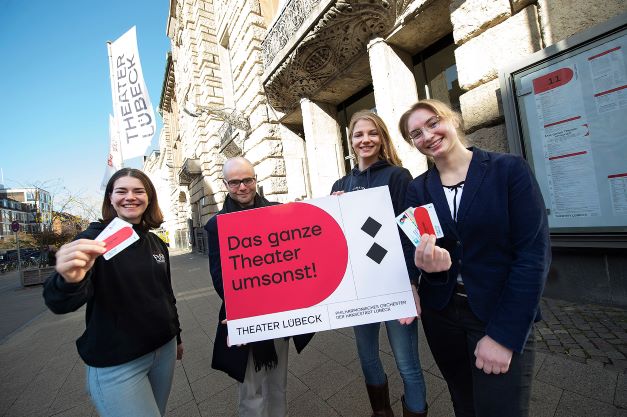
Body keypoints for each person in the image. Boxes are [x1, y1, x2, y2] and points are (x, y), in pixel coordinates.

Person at [399, 99, 551, 417]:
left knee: (500, 409)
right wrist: (425, 267)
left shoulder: (509, 170)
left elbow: (532, 256)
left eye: (432, 123)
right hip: (442, 316)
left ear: (452, 120)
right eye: (416, 133)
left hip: (497, 311)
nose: (426, 135)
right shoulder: (418, 189)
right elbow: (415, 247)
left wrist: (504, 336)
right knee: (464, 405)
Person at [43, 168, 183, 417]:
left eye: (138, 191)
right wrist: (69, 280)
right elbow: (59, 301)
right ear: (110, 198)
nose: (130, 197)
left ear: (149, 198)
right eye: (121, 191)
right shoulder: (95, 240)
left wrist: (177, 336)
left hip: (165, 350)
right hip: (118, 362)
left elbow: (166, 295)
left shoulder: (156, 242)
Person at [331, 111, 427, 417]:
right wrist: (334, 210)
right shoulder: (341, 183)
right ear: (351, 141)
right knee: (367, 357)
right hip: (361, 287)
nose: (365, 140)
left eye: (372, 133)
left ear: (381, 137)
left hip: (395, 282)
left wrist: (412, 282)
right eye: (359, 135)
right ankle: (381, 412)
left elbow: (410, 232)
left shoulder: (398, 176)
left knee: (407, 363)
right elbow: (336, 241)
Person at [205, 156, 313, 417]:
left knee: (278, 384)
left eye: (247, 180)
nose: (242, 187)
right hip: (245, 314)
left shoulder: (279, 212)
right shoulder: (216, 225)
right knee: (251, 390)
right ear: (225, 184)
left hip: (280, 313)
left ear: (255, 179)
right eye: (235, 182)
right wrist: (242, 307)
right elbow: (219, 276)